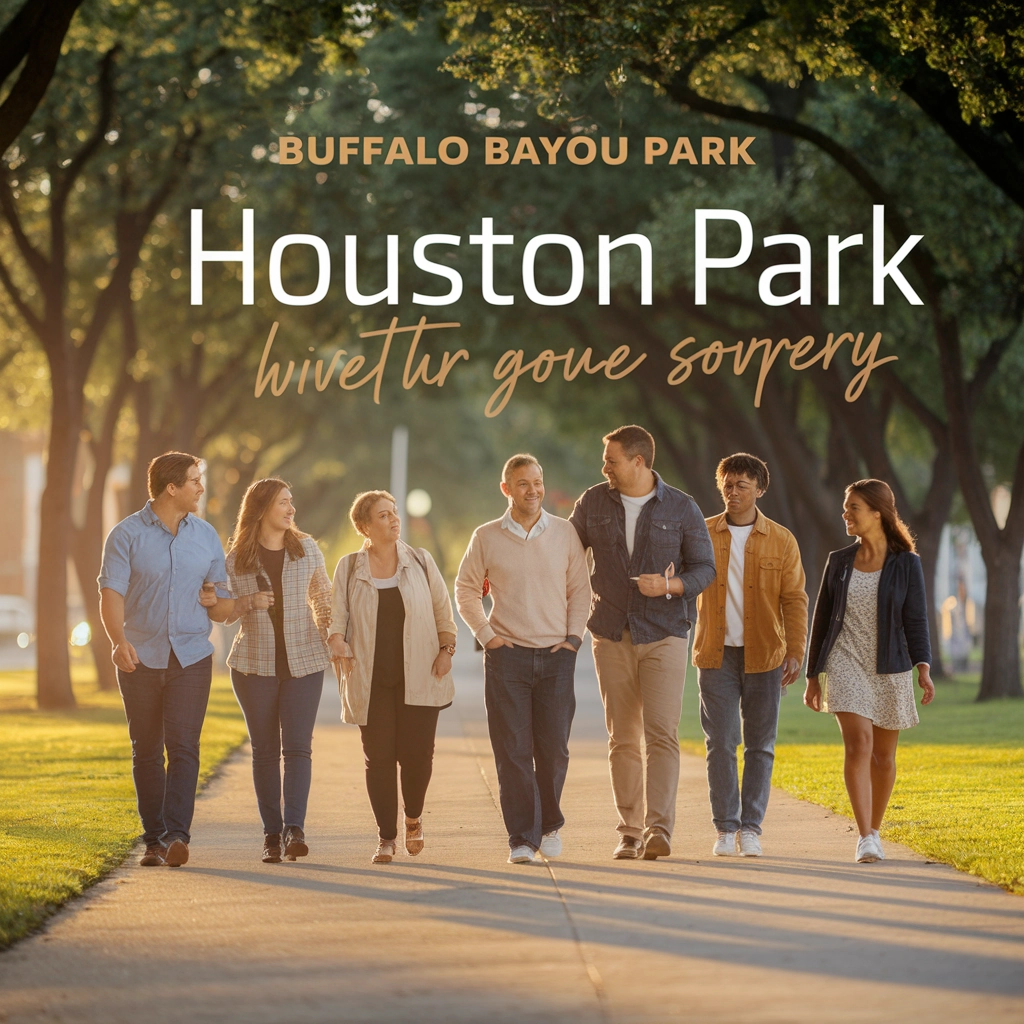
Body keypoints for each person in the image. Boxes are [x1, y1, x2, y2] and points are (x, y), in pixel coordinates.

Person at [569, 425, 716, 860]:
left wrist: (670, 586)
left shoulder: (682, 507)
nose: (605, 468)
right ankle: (629, 832)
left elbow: (705, 569)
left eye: (612, 460)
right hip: (611, 633)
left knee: (661, 734)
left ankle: (659, 830)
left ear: (638, 461)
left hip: (665, 633)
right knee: (622, 737)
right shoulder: (592, 501)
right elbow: (566, 554)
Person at [455, 454, 591, 865]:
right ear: (506, 489)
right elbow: (465, 590)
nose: (532, 490)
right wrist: (488, 638)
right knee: (512, 749)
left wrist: (572, 638)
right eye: (523, 483)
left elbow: (580, 590)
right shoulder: (486, 536)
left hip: (556, 656)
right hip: (506, 658)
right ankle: (521, 837)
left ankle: (548, 824)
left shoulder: (566, 533)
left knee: (553, 750)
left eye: (537, 481)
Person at [98, 452, 230, 867]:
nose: (200, 488)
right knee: (147, 749)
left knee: (184, 746)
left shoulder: (206, 536)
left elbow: (222, 605)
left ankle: (177, 835)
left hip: (191, 656)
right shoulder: (126, 535)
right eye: (194, 481)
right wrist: (118, 641)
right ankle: (154, 839)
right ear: (171, 487)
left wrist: (215, 600)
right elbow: (111, 594)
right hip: (140, 657)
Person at [804, 479, 934, 864]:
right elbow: (823, 618)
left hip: (890, 664)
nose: (846, 514)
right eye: (846, 507)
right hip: (846, 659)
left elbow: (916, 620)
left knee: (883, 757)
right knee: (859, 744)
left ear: (877, 513)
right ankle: (864, 837)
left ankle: (875, 830)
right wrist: (813, 675)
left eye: (853, 508)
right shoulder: (839, 561)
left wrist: (923, 667)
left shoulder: (906, 564)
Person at [203, 478, 332, 864]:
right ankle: (271, 835)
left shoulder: (306, 549)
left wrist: (331, 635)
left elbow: (323, 598)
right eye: (283, 503)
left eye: (291, 502)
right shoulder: (235, 559)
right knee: (264, 752)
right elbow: (221, 614)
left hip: (305, 664)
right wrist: (248, 602)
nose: (291, 510)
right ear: (261, 510)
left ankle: (295, 829)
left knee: (297, 748)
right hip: (253, 667)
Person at [327, 491, 457, 864]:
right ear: (365, 526)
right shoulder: (349, 567)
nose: (394, 520)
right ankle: (386, 838)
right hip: (369, 679)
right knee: (378, 758)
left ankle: (413, 817)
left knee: (417, 757)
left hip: (420, 673)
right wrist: (337, 640)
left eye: (395, 513)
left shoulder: (420, 560)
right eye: (384, 516)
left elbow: (442, 611)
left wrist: (446, 650)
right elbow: (337, 618)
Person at [692, 453, 807, 857]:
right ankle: (725, 827)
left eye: (742, 485)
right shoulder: (702, 533)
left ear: (759, 489)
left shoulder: (781, 539)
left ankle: (751, 828)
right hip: (715, 654)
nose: (733, 491)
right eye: (727, 483)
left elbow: (795, 599)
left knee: (760, 744)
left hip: (766, 655)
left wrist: (796, 650)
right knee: (720, 742)